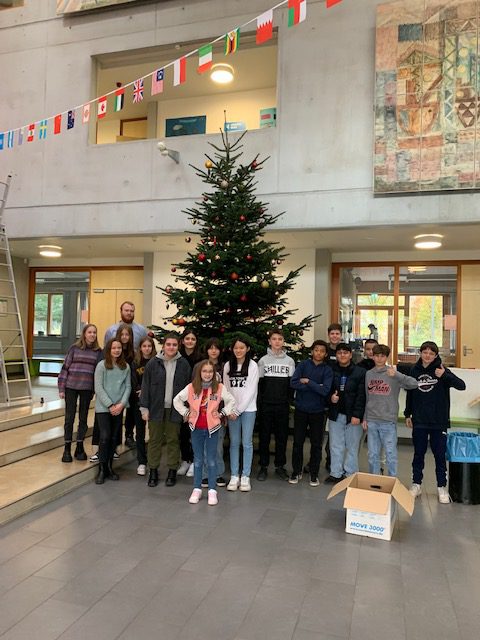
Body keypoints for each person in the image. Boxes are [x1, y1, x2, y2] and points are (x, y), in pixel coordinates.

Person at [404, 341, 466, 504]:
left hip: (439, 421)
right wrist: (407, 414)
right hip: (419, 420)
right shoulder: (414, 370)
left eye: (431, 353)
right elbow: (410, 393)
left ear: (436, 355)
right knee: (418, 454)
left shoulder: (442, 370)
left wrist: (444, 375)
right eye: (425, 352)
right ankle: (416, 484)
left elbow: (462, 386)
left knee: (439, 455)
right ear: (420, 353)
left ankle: (441, 487)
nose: (427, 356)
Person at [173, 360, 236, 505]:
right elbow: (177, 400)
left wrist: (222, 413)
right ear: (199, 373)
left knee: (212, 460)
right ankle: (197, 488)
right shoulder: (191, 387)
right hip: (196, 428)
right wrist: (186, 412)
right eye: (204, 371)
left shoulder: (219, 387)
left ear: (214, 374)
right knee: (198, 460)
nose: (207, 374)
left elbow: (231, 401)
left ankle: (212, 490)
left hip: (213, 429)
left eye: (210, 371)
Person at [139, 333, 191, 488]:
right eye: (168, 344)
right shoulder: (153, 363)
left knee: (173, 440)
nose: (171, 347)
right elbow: (145, 386)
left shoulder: (183, 364)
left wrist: (186, 410)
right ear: (163, 346)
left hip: (175, 410)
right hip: (156, 409)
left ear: (178, 346)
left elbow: (189, 389)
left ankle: (172, 471)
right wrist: (144, 408)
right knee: (154, 440)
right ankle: (153, 470)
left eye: (174, 345)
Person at [363, 344, 417, 478]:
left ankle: (392, 479)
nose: (379, 359)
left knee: (390, 453)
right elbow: (367, 397)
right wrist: (365, 417)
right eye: (376, 356)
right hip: (372, 420)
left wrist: (397, 375)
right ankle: (374, 479)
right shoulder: (369, 374)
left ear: (386, 357)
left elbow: (414, 384)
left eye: (382, 356)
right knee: (372, 454)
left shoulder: (392, 373)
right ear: (372, 357)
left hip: (388, 420)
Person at [289, 340, 333, 486]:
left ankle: (314, 474)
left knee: (316, 444)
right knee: (298, 442)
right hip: (301, 409)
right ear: (312, 351)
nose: (318, 353)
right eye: (316, 350)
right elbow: (294, 383)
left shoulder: (327, 370)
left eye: (322, 351)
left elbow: (325, 390)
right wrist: (316, 386)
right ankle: (296, 471)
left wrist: (308, 382)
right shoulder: (303, 365)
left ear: (325, 354)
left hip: (318, 411)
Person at [57, 324, 102, 463]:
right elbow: (65, 368)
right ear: (84, 334)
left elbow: (98, 373)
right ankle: (67, 448)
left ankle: (80, 446)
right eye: (89, 332)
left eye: (94, 332)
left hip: (87, 388)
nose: (92, 335)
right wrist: (61, 388)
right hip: (71, 386)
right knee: (69, 418)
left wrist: (95, 389)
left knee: (83, 419)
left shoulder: (98, 352)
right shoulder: (74, 348)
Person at [256, 330, 295, 482]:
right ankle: (263, 466)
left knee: (282, 437)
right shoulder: (263, 361)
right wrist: (261, 402)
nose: (277, 341)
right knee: (264, 437)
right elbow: (259, 385)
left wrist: (288, 402)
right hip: (266, 405)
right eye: (274, 339)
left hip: (282, 406)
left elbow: (291, 385)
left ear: (283, 341)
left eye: (280, 339)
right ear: (269, 341)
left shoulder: (290, 361)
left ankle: (280, 466)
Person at [324, 343, 366, 483]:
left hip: (353, 415)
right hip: (336, 413)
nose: (342, 355)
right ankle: (336, 473)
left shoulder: (360, 372)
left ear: (350, 355)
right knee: (335, 445)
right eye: (339, 353)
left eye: (345, 353)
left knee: (352, 446)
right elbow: (326, 389)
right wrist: (330, 398)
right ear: (336, 355)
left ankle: (350, 474)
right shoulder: (330, 370)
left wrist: (357, 415)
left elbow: (362, 396)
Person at [93, 338, 131, 484]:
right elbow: (98, 387)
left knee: (114, 437)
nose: (116, 350)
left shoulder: (125, 367)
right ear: (108, 350)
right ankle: (102, 469)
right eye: (113, 348)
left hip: (119, 407)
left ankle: (110, 467)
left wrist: (121, 404)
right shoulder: (101, 366)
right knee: (105, 436)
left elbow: (127, 386)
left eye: (119, 348)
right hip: (104, 408)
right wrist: (110, 405)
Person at [224, 336, 258, 492]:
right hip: (232, 411)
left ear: (247, 349)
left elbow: (251, 391)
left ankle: (245, 476)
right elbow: (226, 389)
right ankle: (234, 475)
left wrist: (238, 410)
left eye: (242, 348)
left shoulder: (253, 366)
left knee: (247, 442)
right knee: (234, 442)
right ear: (232, 349)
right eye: (236, 348)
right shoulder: (227, 365)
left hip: (248, 409)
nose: (238, 350)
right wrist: (230, 409)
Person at [196, 338, 227, 487]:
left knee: (217, 445)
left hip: (217, 414)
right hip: (201, 414)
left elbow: (227, 393)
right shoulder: (199, 367)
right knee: (203, 446)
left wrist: (224, 413)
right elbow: (193, 390)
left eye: (216, 348)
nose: (213, 351)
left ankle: (218, 474)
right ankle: (205, 475)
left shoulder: (225, 367)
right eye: (211, 348)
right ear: (206, 350)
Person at [177, 329, 202, 477]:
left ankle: (194, 461)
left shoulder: (201, 358)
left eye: (193, 339)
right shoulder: (178, 356)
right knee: (183, 432)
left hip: (196, 399)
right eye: (187, 338)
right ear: (182, 340)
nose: (190, 341)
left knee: (195, 432)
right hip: (181, 398)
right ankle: (185, 459)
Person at [131, 336, 157, 476]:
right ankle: (142, 462)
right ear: (140, 348)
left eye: (149, 346)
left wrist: (148, 391)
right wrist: (141, 390)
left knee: (154, 432)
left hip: (154, 401)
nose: (147, 349)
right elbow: (133, 382)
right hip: (139, 401)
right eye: (144, 346)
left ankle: (153, 461)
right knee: (140, 432)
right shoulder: (135, 363)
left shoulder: (157, 362)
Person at [115, 323, 136, 448]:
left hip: (130, 386)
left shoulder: (133, 353)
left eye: (127, 334)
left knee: (131, 413)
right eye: (122, 334)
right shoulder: (115, 350)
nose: (124, 337)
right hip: (117, 388)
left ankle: (129, 435)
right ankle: (116, 438)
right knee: (117, 414)